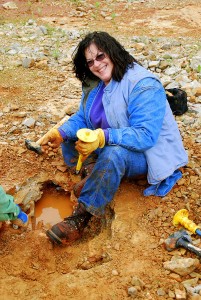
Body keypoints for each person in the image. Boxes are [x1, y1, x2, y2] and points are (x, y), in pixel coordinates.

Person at [38, 31, 188, 246]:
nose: (96, 65)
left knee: (113, 152)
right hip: (112, 141)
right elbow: (83, 116)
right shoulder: (96, 83)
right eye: (90, 62)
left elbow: (145, 136)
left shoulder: (143, 84)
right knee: (73, 134)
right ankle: (94, 174)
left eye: (100, 56)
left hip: (147, 154)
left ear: (114, 52)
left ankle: (80, 217)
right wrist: (60, 133)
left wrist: (102, 136)